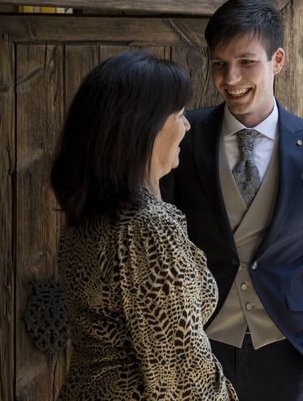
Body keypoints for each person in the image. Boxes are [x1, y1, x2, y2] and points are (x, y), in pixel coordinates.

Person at [161, 0, 303, 401]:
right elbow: (166, 249)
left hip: (288, 349)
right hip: (199, 346)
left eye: (246, 62)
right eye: (219, 64)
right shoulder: (185, 136)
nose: (231, 78)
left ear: (277, 61)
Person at [51, 51, 237, 400]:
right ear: (144, 127)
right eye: (179, 115)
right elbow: (184, 375)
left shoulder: (91, 215)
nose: (187, 125)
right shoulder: (147, 231)